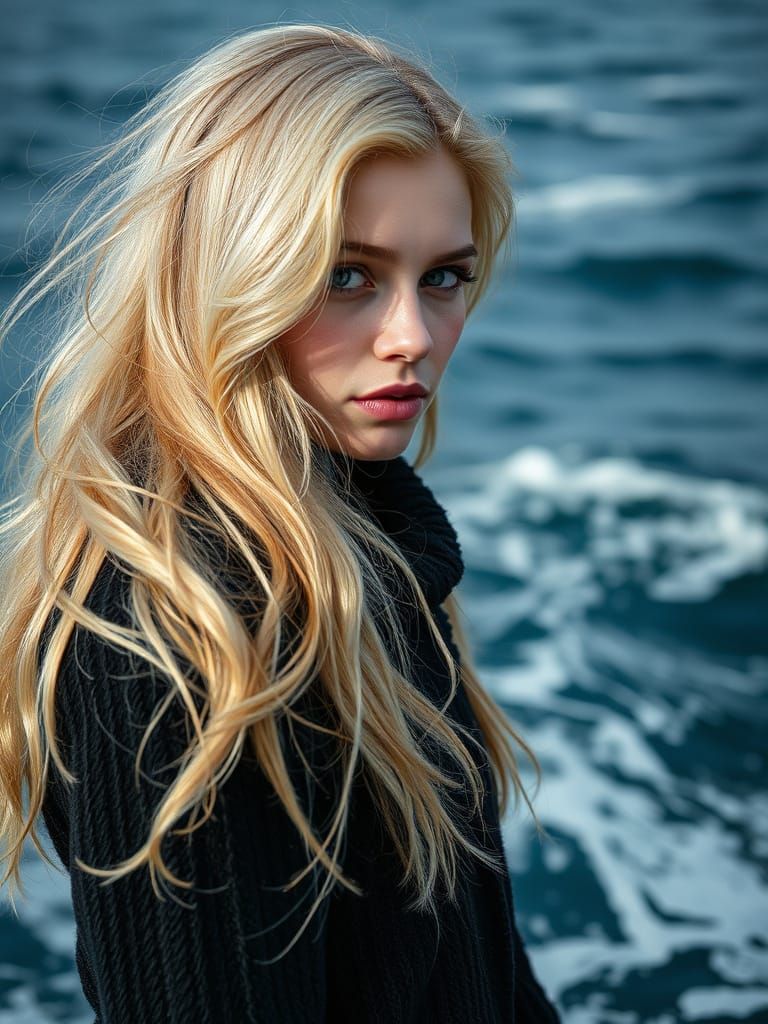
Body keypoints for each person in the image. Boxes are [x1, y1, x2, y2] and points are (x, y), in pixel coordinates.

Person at [0, 22, 562, 1022]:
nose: (414, 338)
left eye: (444, 276)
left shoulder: (362, 534)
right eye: (348, 275)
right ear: (229, 276)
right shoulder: (174, 630)